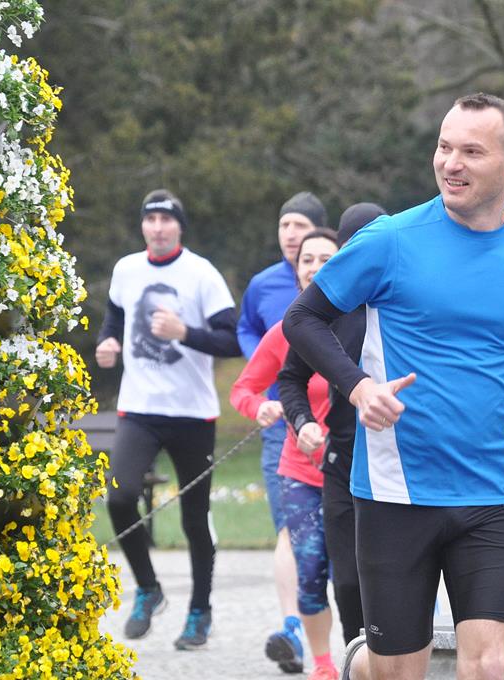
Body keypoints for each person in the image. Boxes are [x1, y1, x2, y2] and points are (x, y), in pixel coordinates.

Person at [285, 93, 504, 680]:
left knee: (490, 664)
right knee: (397, 671)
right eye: (445, 147)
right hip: (397, 492)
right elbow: (303, 319)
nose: (451, 163)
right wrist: (358, 387)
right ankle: (361, 663)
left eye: (472, 151)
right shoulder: (390, 240)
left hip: (494, 490)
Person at [95, 189, 242, 649]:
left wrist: (184, 333)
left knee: (194, 518)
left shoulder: (201, 274)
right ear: (142, 225)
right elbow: (113, 319)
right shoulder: (126, 269)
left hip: (192, 413)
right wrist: (107, 343)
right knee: (119, 498)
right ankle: (148, 588)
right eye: (150, 219)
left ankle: (200, 611)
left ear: (179, 226)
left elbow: (232, 339)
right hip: (139, 409)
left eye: (166, 219)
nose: (158, 227)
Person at [231, 228, 341, 680]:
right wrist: (260, 407)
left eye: (325, 259)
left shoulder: (365, 325)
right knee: (310, 570)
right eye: (306, 260)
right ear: (296, 271)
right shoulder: (284, 331)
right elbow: (244, 389)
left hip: (355, 471)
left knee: (360, 576)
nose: (314, 267)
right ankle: (323, 664)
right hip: (300, 472)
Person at [276, 202, 387, 648]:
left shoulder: (409, 303)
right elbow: (290, 378)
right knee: (347, 582)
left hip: (402, 460)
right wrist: (302, 421)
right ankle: (356, 662)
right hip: (342, 462)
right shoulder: (329, 311)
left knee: (393, 577)